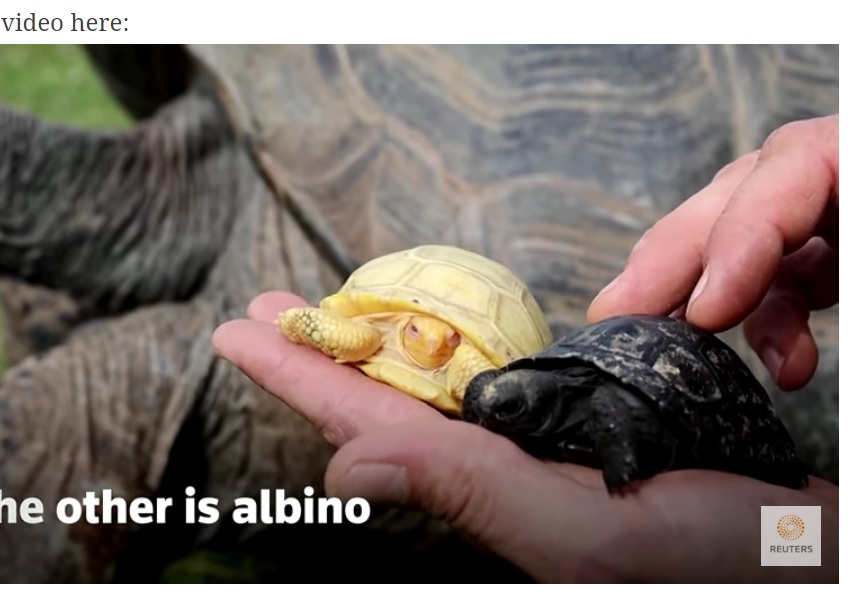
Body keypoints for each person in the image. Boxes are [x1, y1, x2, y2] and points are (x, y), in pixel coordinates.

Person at [211, 115, 839, 583]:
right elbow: (350, 335)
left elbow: (601, 401)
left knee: (789, 532)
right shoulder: (421, 346)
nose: (432, 340)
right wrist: (829, 547)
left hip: (706, 411)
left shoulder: (564, 390)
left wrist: (823, 547)